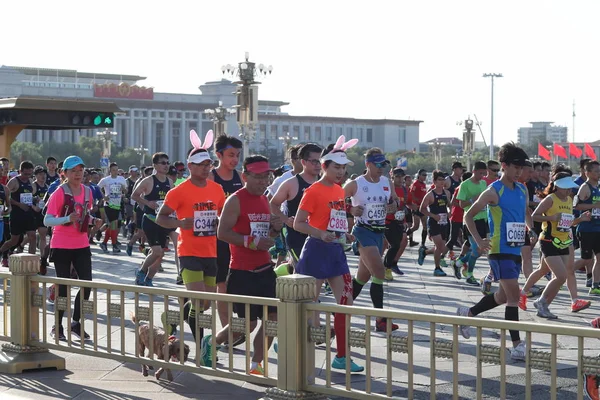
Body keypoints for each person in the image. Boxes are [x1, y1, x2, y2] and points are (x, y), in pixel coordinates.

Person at [202, 155, 283, 374]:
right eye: (258, 177)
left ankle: (256, 364)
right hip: (242, 270)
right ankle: (212, 342)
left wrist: (275, 228)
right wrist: (251, 241)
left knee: (273, 320)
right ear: (245, 176)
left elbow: (268, 235)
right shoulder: (235, 200)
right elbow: (222, 233)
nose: (263, 181)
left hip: (266, 269)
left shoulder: (265, 199)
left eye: (266, 176)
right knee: (247, 325)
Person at [457, 142, 534, 361]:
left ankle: (467, 314)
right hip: (499, 250)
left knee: (501, 296)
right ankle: (517, 345)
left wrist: (531, 228)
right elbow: (468, 216)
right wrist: (480, 241)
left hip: (515, 249)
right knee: (513, 296)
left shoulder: (521, 189)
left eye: (521, 167)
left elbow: (526, 211)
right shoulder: (493, 191)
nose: (519, 171)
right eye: (515, 167)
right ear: (504, 165)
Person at [294, 137, 364, 373]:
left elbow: (336, 217)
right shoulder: (312, 191)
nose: (341, 172)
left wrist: (345, 233)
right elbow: (298, 223)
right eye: (337, 167)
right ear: (324, 166)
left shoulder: (338, 190)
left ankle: (342, 356)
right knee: (307, 307)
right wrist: (319, 233)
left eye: (344, 168)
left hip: (336, 253)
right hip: (315, 251)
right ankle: (293, 348)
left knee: (346, 303)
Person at [157, 131, 225, 342]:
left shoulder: (217, 189)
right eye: (201, 164)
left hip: (211, 251)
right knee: (198, 303)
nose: (206, 168)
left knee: (206, 302)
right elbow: (161, 218)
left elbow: (221, 215)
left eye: (209, 164)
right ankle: (201, 346)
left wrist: (218, 222)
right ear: (190, 167)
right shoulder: (178, 191)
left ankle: (172, 317)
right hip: (189, 252)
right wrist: (179, 223)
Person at [44, 156, 103, 340]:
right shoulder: (59, 192)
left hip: (81, 243)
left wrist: (95, 222)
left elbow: (83, 215)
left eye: (80, 170)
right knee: (63, 286)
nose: (78, 174)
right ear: (65, 174)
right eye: (73, 171)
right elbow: (47, 220)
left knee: (87, 284)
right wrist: (65, 220)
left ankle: (75, 323)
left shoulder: (87, 191)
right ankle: (58, 326)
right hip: (61, 244)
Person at [520, 172, 591, 317]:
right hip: (548, 241)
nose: (568, 191)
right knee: (561, 276)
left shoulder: (569, 199)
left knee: (545, 271)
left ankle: (535, 301)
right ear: (557, 186)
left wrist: (581, 219)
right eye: (566, 188)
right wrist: (552, 217)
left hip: (564, 241)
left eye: (570, 188)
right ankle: (540, 301)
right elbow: (534, 216)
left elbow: (567, 222)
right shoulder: (550, 199)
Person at [345, 148, 398, 331]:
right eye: (378, 165)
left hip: (379, 233)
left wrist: (393, 205)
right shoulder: (355, 184)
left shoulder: (386, 181)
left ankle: (341, 309)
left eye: (384, 164)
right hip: (363, 231)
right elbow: (334, 201)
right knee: (379, 272)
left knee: (362, 277)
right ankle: (381, 319)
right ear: (368, 165)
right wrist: (350, 210)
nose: (381, 168)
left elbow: (395, 201)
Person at [207, 134, 245, 342]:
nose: (235, 160)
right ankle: (227, 331)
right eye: (231, 155)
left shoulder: (241, 177)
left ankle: (231, 330)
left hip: (238, 239)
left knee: (228, 286)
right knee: (220, 286)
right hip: (216, 239)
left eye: (238, 155)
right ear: (219, 154)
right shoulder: (211, 178)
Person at [270, 143, 322, 273]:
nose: (318, 165)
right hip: (296, 236)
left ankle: (280, 274)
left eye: (320, 161)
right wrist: (285, 219)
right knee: (303, 272)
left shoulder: (325, 183)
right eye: (314, 161)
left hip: (319, 235)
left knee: (314, 273)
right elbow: (273, 204)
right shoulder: (291, 183)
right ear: (303, 162)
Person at [132, 153, 176, 286]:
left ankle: (149, 279)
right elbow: (134, 195)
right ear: (155, 165)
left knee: (159, 255)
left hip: (163, 221)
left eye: (167, 163)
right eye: (163, 163)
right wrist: (147, 203)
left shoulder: (170, 182)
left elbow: (173, 200)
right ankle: (141, 271)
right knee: (157, 251)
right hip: (150, 220)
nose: (166, 165)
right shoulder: (148, 181)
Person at [454, 161, 489, 285]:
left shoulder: (484, 183)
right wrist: (472, 200)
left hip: (484, 220)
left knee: (480, 250)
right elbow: (461, 204)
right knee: (477, 250)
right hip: (470, 220)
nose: (482, 176)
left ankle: (458, 263)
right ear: (474, 171)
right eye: (480, 173)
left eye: (484, 174)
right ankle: (469, 275)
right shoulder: (465, 184)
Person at [0, 161, 37, 258]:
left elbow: (29, 197)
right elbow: (5, 196)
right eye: (25, 174)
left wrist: (34, 199)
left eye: (30, 174)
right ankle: (1, 251)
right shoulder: (14, 181)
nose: (27, 176)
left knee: (33, 236)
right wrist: (19, 204)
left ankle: (31, 262)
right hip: (16, 214)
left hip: (28, 214)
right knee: (14, 241)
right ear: (20, 171)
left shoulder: (31, 182)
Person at [418, 170, 451, 276]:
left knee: (438, 248)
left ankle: (436, 267)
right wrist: (433, 216)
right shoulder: (430, 195)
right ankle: (438, 262)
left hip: (444, 223)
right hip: (433, 223)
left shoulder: (446, 193)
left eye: (443, 180)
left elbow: (449, 205)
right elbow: (422, 209)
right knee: (441, 246)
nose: (442, 182)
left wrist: (450, 212)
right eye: (439, 180)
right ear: (434, 181)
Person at [574, 160, 600, 295]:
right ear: (587, 172)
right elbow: (576, 206)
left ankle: (595, 285)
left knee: (599, 258)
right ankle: (561, 274)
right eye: (596, 171)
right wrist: (593, 206)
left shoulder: (598, 187)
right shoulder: (585, 187)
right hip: (586, 228)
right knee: (586, 259)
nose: (599, 173)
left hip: (598, 227)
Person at [384, 167, 409, 276]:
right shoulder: (387, 188)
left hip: (398, 221)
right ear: (392, 176)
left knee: (400, 243)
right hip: (386, 221)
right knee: (392, 245)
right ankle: (385, 267)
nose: (399, 179)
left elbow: (405, 206)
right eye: (397, 177)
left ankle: (391, 264)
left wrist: (405, 220)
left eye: (401, 177)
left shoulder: (404, 190)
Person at [98, 162, 128, 253]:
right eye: (113, 170)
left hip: (117, 205)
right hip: (108, 205)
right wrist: (103, 197)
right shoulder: (106, 180)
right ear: (110, 171)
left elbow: (126, 190)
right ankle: (114, 245)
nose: (115, 172)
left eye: (116, 170)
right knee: (113, 225)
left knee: (112, 226)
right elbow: (97, 188)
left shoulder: (121, 179)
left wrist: (123, 189)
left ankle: (104, 243)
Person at [31, 166, 49, 274]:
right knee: (31, 236)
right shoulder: (33, 186)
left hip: (42, 214)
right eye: (40, 174)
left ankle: (42, 257)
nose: (43, 176)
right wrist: (34, 207)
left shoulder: (47, 187)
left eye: (44, 174)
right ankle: (22, 247)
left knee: (43, 236)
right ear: (36, 175)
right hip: (32, 213)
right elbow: (27, 198)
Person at [407, 169, 428, 248]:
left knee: (425, 226)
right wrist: (417, 201)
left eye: (425, 175)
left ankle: (423, 244)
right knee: (416, 226)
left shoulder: (424, 185)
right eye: (423, 175)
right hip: (416, 207)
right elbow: (411, 194)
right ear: (419, 175)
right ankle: (403, 236)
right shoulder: (415, 184)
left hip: (423, 208)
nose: (424, 176)